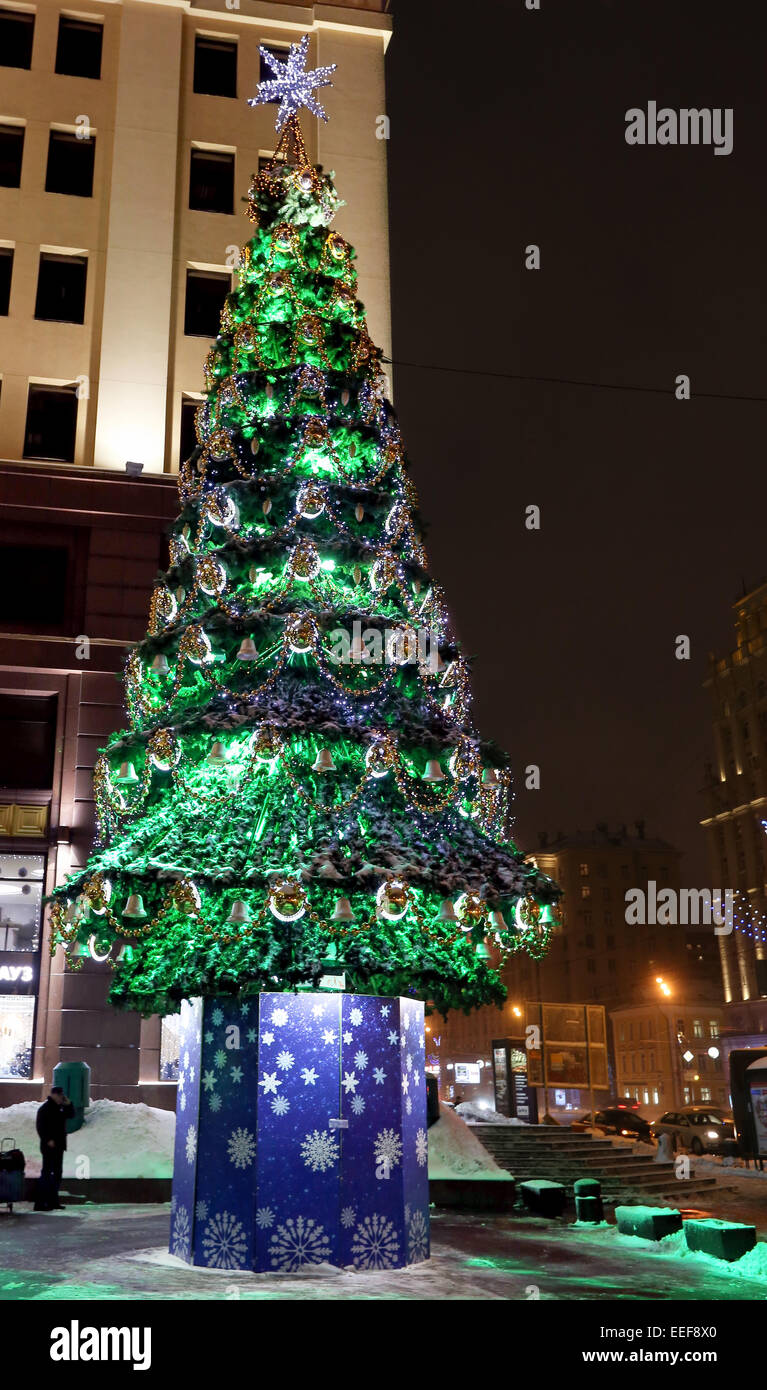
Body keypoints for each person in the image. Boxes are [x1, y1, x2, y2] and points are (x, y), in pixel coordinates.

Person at [34, 1086, 74, 1212]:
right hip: (49, 1146)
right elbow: (40, 1126)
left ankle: (53, 1201)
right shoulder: (45, 1109)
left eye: (62, 1095)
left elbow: (71, 1115)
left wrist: (69, 1104)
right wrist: (48, 1140)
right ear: (53, 1095)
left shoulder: (60, 1108)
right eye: (59, 1095)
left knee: (57, 1174)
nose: (61, 1097)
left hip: (59, 1146)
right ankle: (40, 1203)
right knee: (47, 1173)